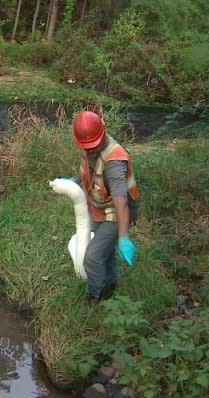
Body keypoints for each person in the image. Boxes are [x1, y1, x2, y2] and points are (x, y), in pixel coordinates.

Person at [65, 110, 140, 305]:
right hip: (100, 208)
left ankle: (94, 296)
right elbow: (86, 169)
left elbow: (121, 201)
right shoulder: (90, 145)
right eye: (86, 148)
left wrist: (123, 236)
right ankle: (111, 284)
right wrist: (72, 181)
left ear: (102, 132)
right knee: (105, 253)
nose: (89, 150)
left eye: (92, 147)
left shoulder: (114, 162)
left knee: (92, 257)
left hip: (117, 213)